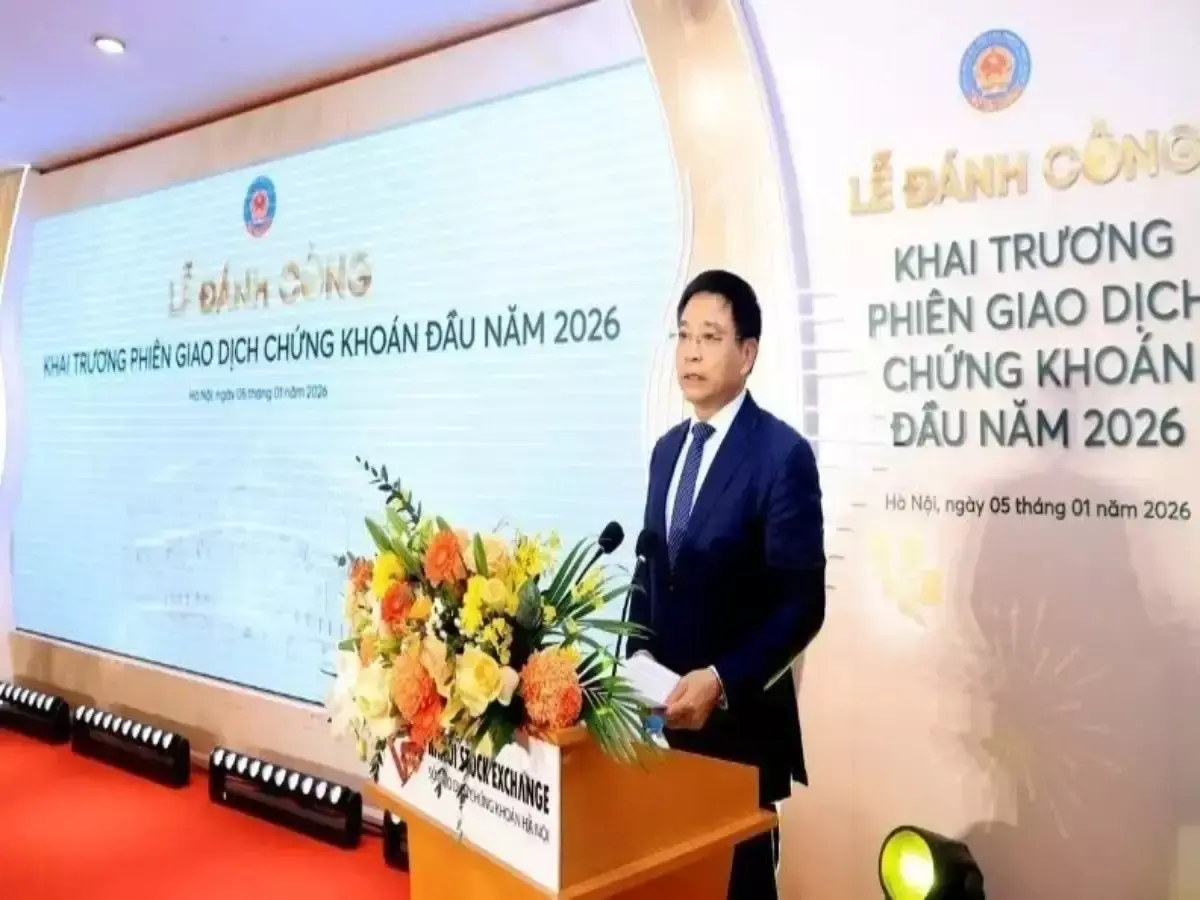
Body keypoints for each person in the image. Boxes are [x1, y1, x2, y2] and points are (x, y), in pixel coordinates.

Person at [627, 269, 825, 900]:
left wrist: (720, 681)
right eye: (683, 336)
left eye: (709, 337)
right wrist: (631, 662)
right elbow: (651, 569)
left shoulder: (781, 455)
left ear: (747, 353)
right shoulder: (667, 451)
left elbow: (803, 605)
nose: (690, 352)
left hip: (738, 740)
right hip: (663, 731)